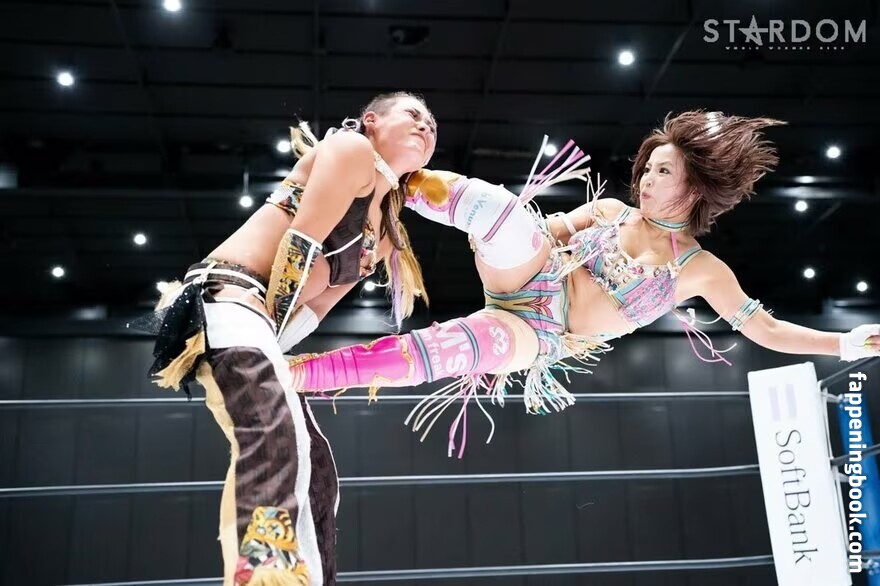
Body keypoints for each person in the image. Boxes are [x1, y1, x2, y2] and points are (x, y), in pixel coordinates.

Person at [288, 111, 880, 459]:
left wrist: (845, 343)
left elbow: (767, 330)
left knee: (450, 349)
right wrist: (513, 230)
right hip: (530, 273)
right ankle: (379, 175)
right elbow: (541, 231)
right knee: (502, 213)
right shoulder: (611, 213)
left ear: (695, 188)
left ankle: (299, 373)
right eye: (648, 168)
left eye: (664, 171)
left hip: (538, 332)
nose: (646, 179)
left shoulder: (701, 270)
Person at [143, 91, 436, 585]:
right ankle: (265, 573)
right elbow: (299, 246)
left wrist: (274, 349)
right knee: (277, 432)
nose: (426, 126)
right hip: (228, 295)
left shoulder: (387, 231)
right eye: (413, 114)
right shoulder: (351, 149)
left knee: (316, 464)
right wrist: (266, 345)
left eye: (432, 124)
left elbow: (317, 307)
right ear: (371, 120)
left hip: (262, 322)